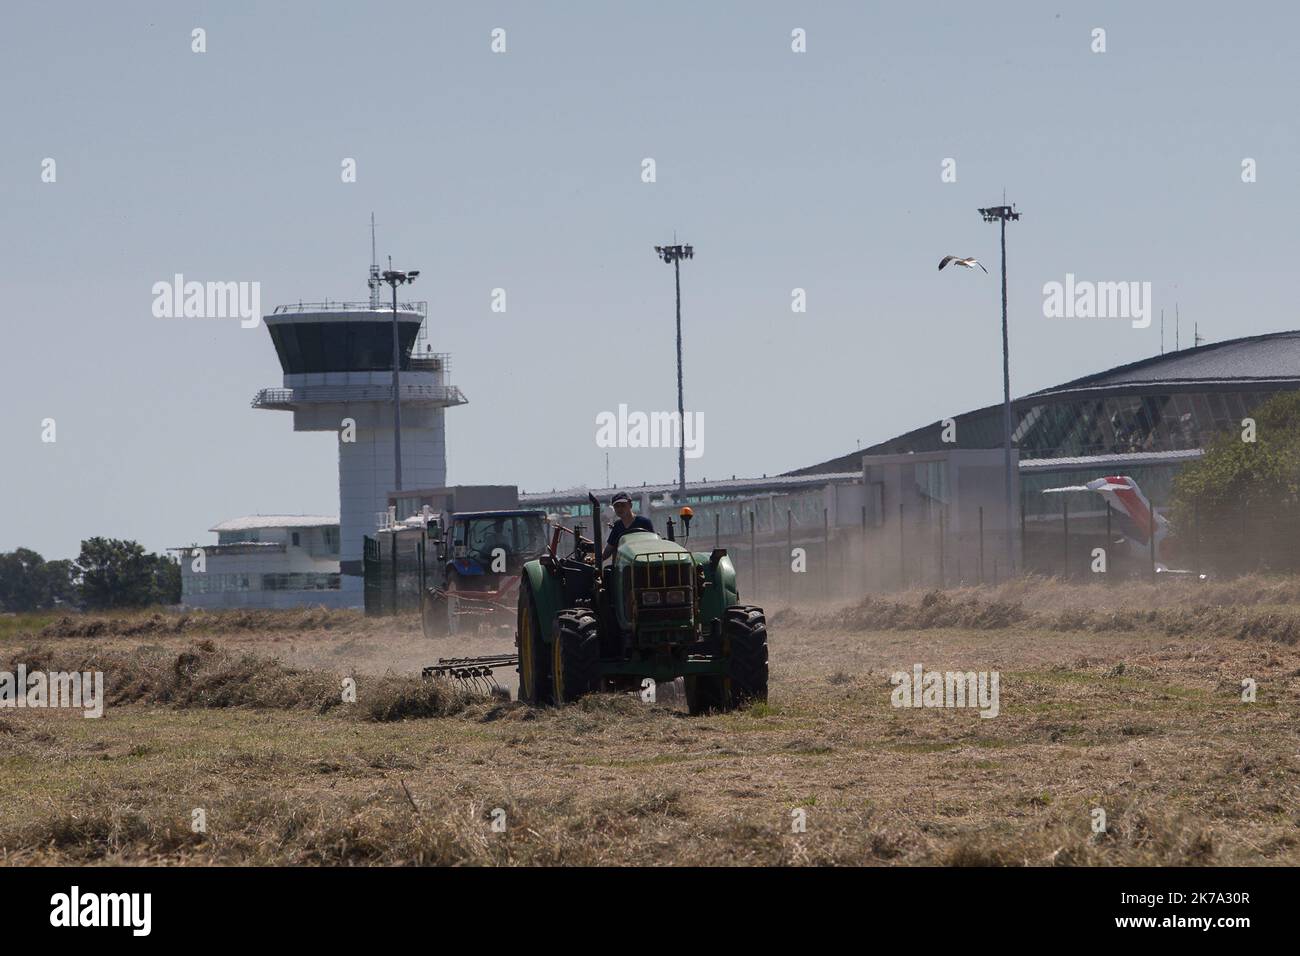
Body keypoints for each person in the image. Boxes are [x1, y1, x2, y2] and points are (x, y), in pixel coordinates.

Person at [602, 492, 653, 562]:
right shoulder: (617, 526)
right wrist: (596, 560)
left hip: (643, 563)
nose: (620, 509)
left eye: (623, 505)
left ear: (630, 505)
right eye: (617, 506)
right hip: (623, 566)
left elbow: (653, 545)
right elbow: (609, 549)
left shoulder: (644, 523)